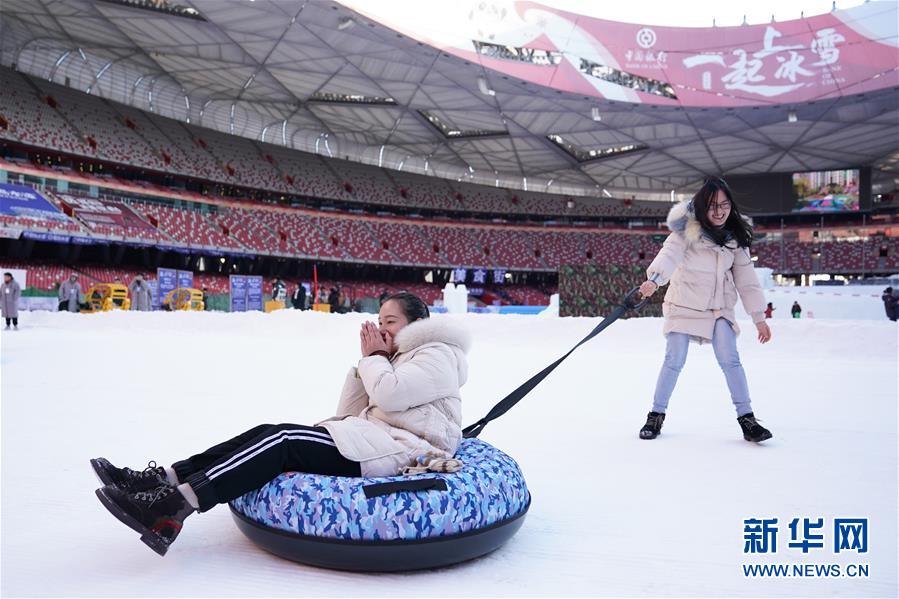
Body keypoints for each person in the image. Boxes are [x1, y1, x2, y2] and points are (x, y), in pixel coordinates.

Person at [91, 292, 470, 556]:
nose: (382, 328)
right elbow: (351, 412)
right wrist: (366, 364)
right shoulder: (398, 356)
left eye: (391, 321)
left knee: (283, 440)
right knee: (266, 432)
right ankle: (163, 481)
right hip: (374, 436)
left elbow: (388, 396)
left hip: (401, 450)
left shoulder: (436, 354)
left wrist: (375, 359)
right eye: (380, 320)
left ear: (417, 324)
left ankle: (172, 510)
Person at [637, 177, 773, 443]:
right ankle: (655, 415)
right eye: (712, 206)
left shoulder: (736, 239)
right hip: (684, 305)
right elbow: (668, 256)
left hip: (717, 308)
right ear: (701, 207)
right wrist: (653, 281)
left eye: (724, 205)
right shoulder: (685, 231)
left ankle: (748, 420)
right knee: (674, 360)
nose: (719, 211)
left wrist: (759, 317)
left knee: (730, 359)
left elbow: (747, 281)